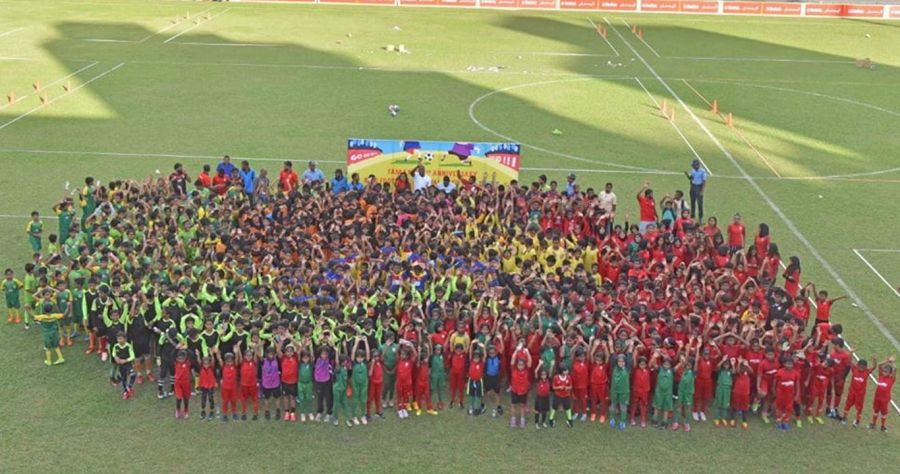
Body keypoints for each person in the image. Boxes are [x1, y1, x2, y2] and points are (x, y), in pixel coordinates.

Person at [842, 356, 875, 427]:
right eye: (860, 366)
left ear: (865, 367)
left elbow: (874, 367)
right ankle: (844, 417)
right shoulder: (854, 369)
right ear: (858, 365)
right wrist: (851, 352)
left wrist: (874, 360)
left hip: (860, 394)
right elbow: (849, 361)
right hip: (852, 392)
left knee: (859, 408)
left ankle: (857, 421)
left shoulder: (867, 372)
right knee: (848, 404)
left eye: (863, 367)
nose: (861, 368)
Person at [871, 356, 895, 432]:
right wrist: (887, 360)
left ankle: (883, 426)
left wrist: (892, 363)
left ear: (890, 373)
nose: (884, 372)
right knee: (875, 411)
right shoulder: (880, 376)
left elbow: (895, 370)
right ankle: (873, 424)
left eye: (886, 371)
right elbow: (879, 365)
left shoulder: (891, 379)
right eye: (884, 371)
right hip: (877, 398)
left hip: (884, 400)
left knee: (884, 413)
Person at [110, 331, 135, 400]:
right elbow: (113, 353)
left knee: (133, 375)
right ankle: (125, 392)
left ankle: (129, 387)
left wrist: (125, 360)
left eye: (121, 339)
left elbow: (132, 356)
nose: (119, 340)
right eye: (118, 339)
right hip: (121, 366)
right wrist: (116, 357)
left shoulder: (128, 346)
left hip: (128, 364)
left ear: (125, 339)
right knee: (124, 379)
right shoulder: (116, 346)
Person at [173, 350, 192, 419]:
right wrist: (176, 348)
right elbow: (172, 354)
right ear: (177, 358)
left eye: (182, 358)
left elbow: (191, 355)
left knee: (186, 398)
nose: (181, 360)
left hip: (186, 383)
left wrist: (186, 348)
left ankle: (186, 411)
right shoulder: (175, 363)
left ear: (185, 358)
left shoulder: (187, 363)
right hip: (178, 383)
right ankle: (178, 410)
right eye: (179, 358)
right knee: (179, 397)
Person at [198, 356, 217, 421]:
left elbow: (213, 362)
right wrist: (198, 355)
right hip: (203, 386)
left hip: (210, 386)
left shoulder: (211, 368)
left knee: (211, 398)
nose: (206, 365)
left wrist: (212, 355)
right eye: (204, 364)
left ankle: (211, 411)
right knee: (203, 398)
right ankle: (203, 410)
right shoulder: (201, 368)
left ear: (209, 363)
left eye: (207, 363)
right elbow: (199, 361)